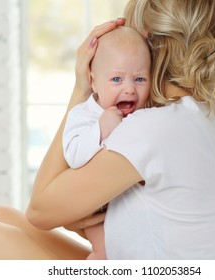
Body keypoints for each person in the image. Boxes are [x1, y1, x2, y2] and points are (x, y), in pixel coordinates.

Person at [0, 0, 215, 260]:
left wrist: (83, 89)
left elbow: (40, 208)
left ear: (146, 38)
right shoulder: (197, 115)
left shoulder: (154, 129)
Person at [62, 26, 151, 260]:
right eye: (116, 79)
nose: (130, 88)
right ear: (94, 83)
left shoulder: (144, 115)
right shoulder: (84, 115)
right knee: (104, 252)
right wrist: (101, 129)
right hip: (92, 205)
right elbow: (72, 155)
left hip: (123, 204)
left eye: (140, 78)